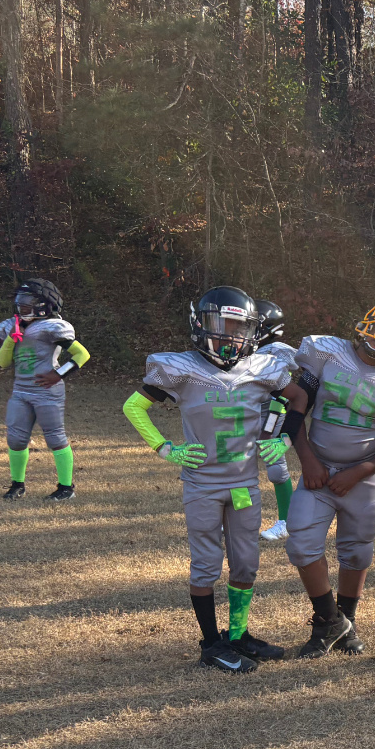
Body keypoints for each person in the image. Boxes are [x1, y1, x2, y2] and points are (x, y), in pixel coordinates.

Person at [122, 286, 299, 672]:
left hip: (244, 484)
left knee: (246, 564)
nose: (231, 335)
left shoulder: (262, 368)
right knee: (205, 565)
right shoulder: (182, 368)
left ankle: (237, 634)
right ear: (201, 324)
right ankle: (210, 644)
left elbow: (298, 399)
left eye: (239, 327)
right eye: (223, 324)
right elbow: (134, 406)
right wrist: (164, 448)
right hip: (203, 485)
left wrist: (284, 437)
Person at [284, 303, 375, 658]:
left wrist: (358, 472)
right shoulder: (327, 354)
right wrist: (308, 460)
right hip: (317, 469)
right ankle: (328, 620)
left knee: (357, 551)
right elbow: (295, 411)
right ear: (365, 325)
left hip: (362, 477)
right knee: (301, 545)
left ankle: (347, 623)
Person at [0, 278, 90, 501]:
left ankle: (66, 488)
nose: (22, 307)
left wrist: (58, 374)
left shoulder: (52, 327)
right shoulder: (12, 326)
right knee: (16, 439)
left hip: (47, 391)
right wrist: (11, 339)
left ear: (44, 306)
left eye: (28, 302)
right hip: (21, 390)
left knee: (56, 438)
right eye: (21, 302)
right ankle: (17, 484)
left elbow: (82, 354)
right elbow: (2, 362)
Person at [253, 300, 297, 541]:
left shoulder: (276, 350)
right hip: (246, 411)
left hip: (270, 411)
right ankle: (236, 517)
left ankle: (286, 522)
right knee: (237, 466)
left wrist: (269, 427)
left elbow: (282, 394)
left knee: (275, 466)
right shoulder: (245, 348)